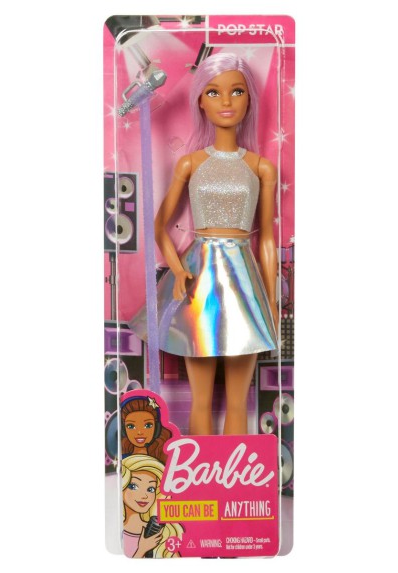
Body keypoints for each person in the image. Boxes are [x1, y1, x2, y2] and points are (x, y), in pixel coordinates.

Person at [130, 53, 278, 436]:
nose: (226, 101)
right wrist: (178, 270)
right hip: (200, 279)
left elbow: (267, 239)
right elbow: (159, 226)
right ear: (200, 100)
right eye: (214, 92)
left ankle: (234, 471)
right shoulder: (191, 164)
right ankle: (200, 467)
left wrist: (271, 301)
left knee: (237, 401)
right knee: (200, 399)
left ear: (249, 99)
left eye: (236, 91)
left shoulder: (261, 167)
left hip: (243, 280)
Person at [122, 455, 183, 558]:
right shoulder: (116, 531)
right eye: (133, 486)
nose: (144, 496)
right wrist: (142, 549)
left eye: (150, 489)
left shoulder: (162, 532)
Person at [121, 395, 172, 464]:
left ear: (157, 429)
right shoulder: (122, 460)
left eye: (148, 425)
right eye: (131, 426)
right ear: (124, 430)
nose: (139, 432)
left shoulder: (160, 463)